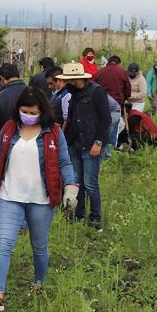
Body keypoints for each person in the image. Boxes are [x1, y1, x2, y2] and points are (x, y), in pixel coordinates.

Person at [0, 88, 79, 312]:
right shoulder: (9, 129)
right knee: (3, 244)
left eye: (33, 112)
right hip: (9, 197)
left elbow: (64, 163)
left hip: (41, 199)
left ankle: (39, 283)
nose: (28, 115)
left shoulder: (54, 132)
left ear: (42, 111)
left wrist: (70, 189)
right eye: (24, 111)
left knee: (39, 245)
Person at [56, 62, 108, 230]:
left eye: (70, 80)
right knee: (76, 183)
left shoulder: (96, 92)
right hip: (74, 144)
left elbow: (105, 119)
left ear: (78, 78)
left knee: (91, 183)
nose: (67, 83)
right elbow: (69, 119)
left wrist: (98, 142)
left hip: (91, 144)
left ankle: (95, 219)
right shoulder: (72, 93)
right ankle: (78, 216)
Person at [93, 55, 131, 160]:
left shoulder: (100, 72)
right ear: (118, 63)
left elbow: (92, 85)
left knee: (102, 127)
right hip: (116, 105)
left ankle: (104, 153)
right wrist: (125, 98)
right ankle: (106, 154)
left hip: (100, 103)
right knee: (111, 129)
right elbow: (128, 89)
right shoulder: (122, 72)